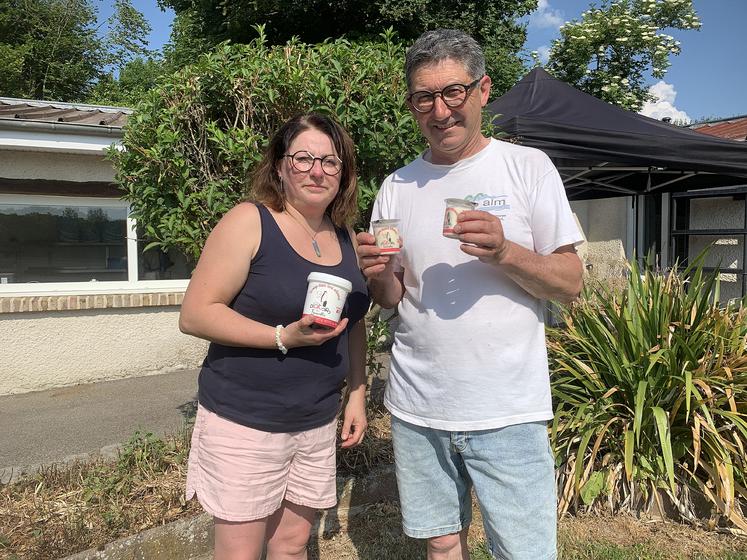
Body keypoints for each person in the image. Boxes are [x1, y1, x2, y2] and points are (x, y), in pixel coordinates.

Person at [356, 29, 584, 560]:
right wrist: (378, 274)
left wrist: (506, 251)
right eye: (424, 97)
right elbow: (392, 297)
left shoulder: (526, 167)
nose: (440, 111)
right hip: (418, 407)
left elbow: (571, 281)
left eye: (453, 92)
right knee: (440, 544)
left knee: (525, 552)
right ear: (411, 103)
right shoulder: (397, 185)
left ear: (482, 90)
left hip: (507, 407)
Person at [180, 112, 370, 560]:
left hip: (315, 420)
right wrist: (283, 337)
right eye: (303, 158)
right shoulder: (250, 221)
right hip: (245, 419)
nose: (317, 170)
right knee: (240, 553)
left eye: (330, 161)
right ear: (280, 166)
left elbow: (355, 319)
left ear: (342, 174)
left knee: (290, 545)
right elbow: (195, 314)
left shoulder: (344, 237)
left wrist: (357, 392)